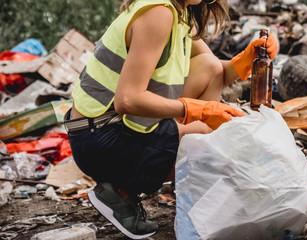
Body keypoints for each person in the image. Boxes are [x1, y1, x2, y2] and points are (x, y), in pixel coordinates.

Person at [64, 0, 278, 238]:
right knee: (208, 137)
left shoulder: (179, 14)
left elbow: (218, 72)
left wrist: (246, 60)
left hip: (105, 129)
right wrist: (195, 111)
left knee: (210, 68)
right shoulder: (158, 13)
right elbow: (127, 100)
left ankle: (131, 190)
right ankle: (130, 189)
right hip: (100, 140)